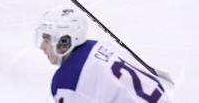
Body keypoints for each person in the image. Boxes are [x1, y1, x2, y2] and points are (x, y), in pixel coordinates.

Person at [35, 7, 172, 102]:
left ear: (64, 42)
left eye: (47, 39)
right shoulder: (101, 46)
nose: (42, 46)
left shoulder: (67, 81)